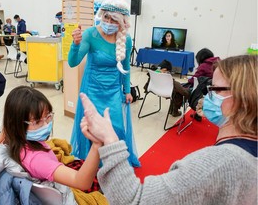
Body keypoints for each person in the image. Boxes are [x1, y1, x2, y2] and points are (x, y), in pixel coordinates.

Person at [79, 54, 257, 205]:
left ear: (244, 98)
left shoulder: (217, 164)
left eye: (214, 89)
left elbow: (134, 200)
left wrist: (109, 140)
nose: (207, 95)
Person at [68, 0, 140, 167]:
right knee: (92, 130)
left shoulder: (126, 40)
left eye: (113, 19)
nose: (108, 22)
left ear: (121, 22)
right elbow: (73, 62)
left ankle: (113, 165)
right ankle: (91, 166)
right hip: (92, 90)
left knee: (115, 127)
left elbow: (125, 66)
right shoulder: (90, 34)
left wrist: (127, 90)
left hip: (114, 91)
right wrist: (75, 44)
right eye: (106, 17)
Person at [0, 86, 101, 190]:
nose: (46, 125)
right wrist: (96, 145)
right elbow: (81, 182)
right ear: (16, 124)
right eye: (37, 122)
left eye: (48, 116)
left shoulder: (11, 138)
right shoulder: (37, 160)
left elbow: (5, 128)